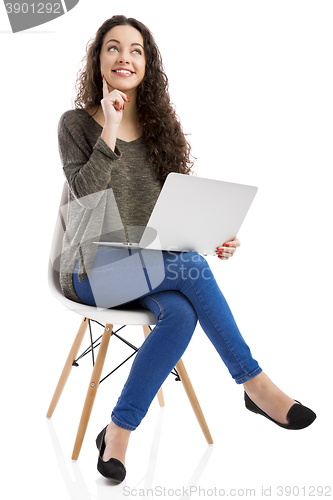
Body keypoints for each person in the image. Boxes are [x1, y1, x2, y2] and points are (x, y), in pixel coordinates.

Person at [57, 15, 316, 483]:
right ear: (98, 61)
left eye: (136, 50)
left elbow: (169, 219)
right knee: (190, 269)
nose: (124, 58)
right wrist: (110, 126)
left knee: (181, 311)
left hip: (151, 266)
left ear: (147, 64)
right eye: (113, 48)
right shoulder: (76, 124)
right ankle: (254, 384)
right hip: (91, 269)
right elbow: (84, 194)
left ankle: (117, 432)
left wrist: (211, 233)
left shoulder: (160, 132)